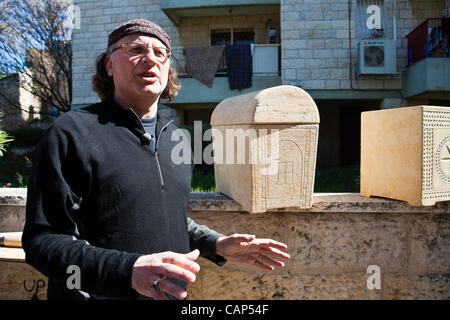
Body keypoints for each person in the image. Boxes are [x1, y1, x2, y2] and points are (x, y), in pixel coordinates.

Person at [22, 19, 290, 300]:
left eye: (160, 52)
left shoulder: (178, 140)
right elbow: (42, 242)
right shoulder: (70, 133)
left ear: (167, 69)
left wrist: (217, 245)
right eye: (135, 48)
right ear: (109, 65)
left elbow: (170, 219)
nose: (149, 57)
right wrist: (127, 270)